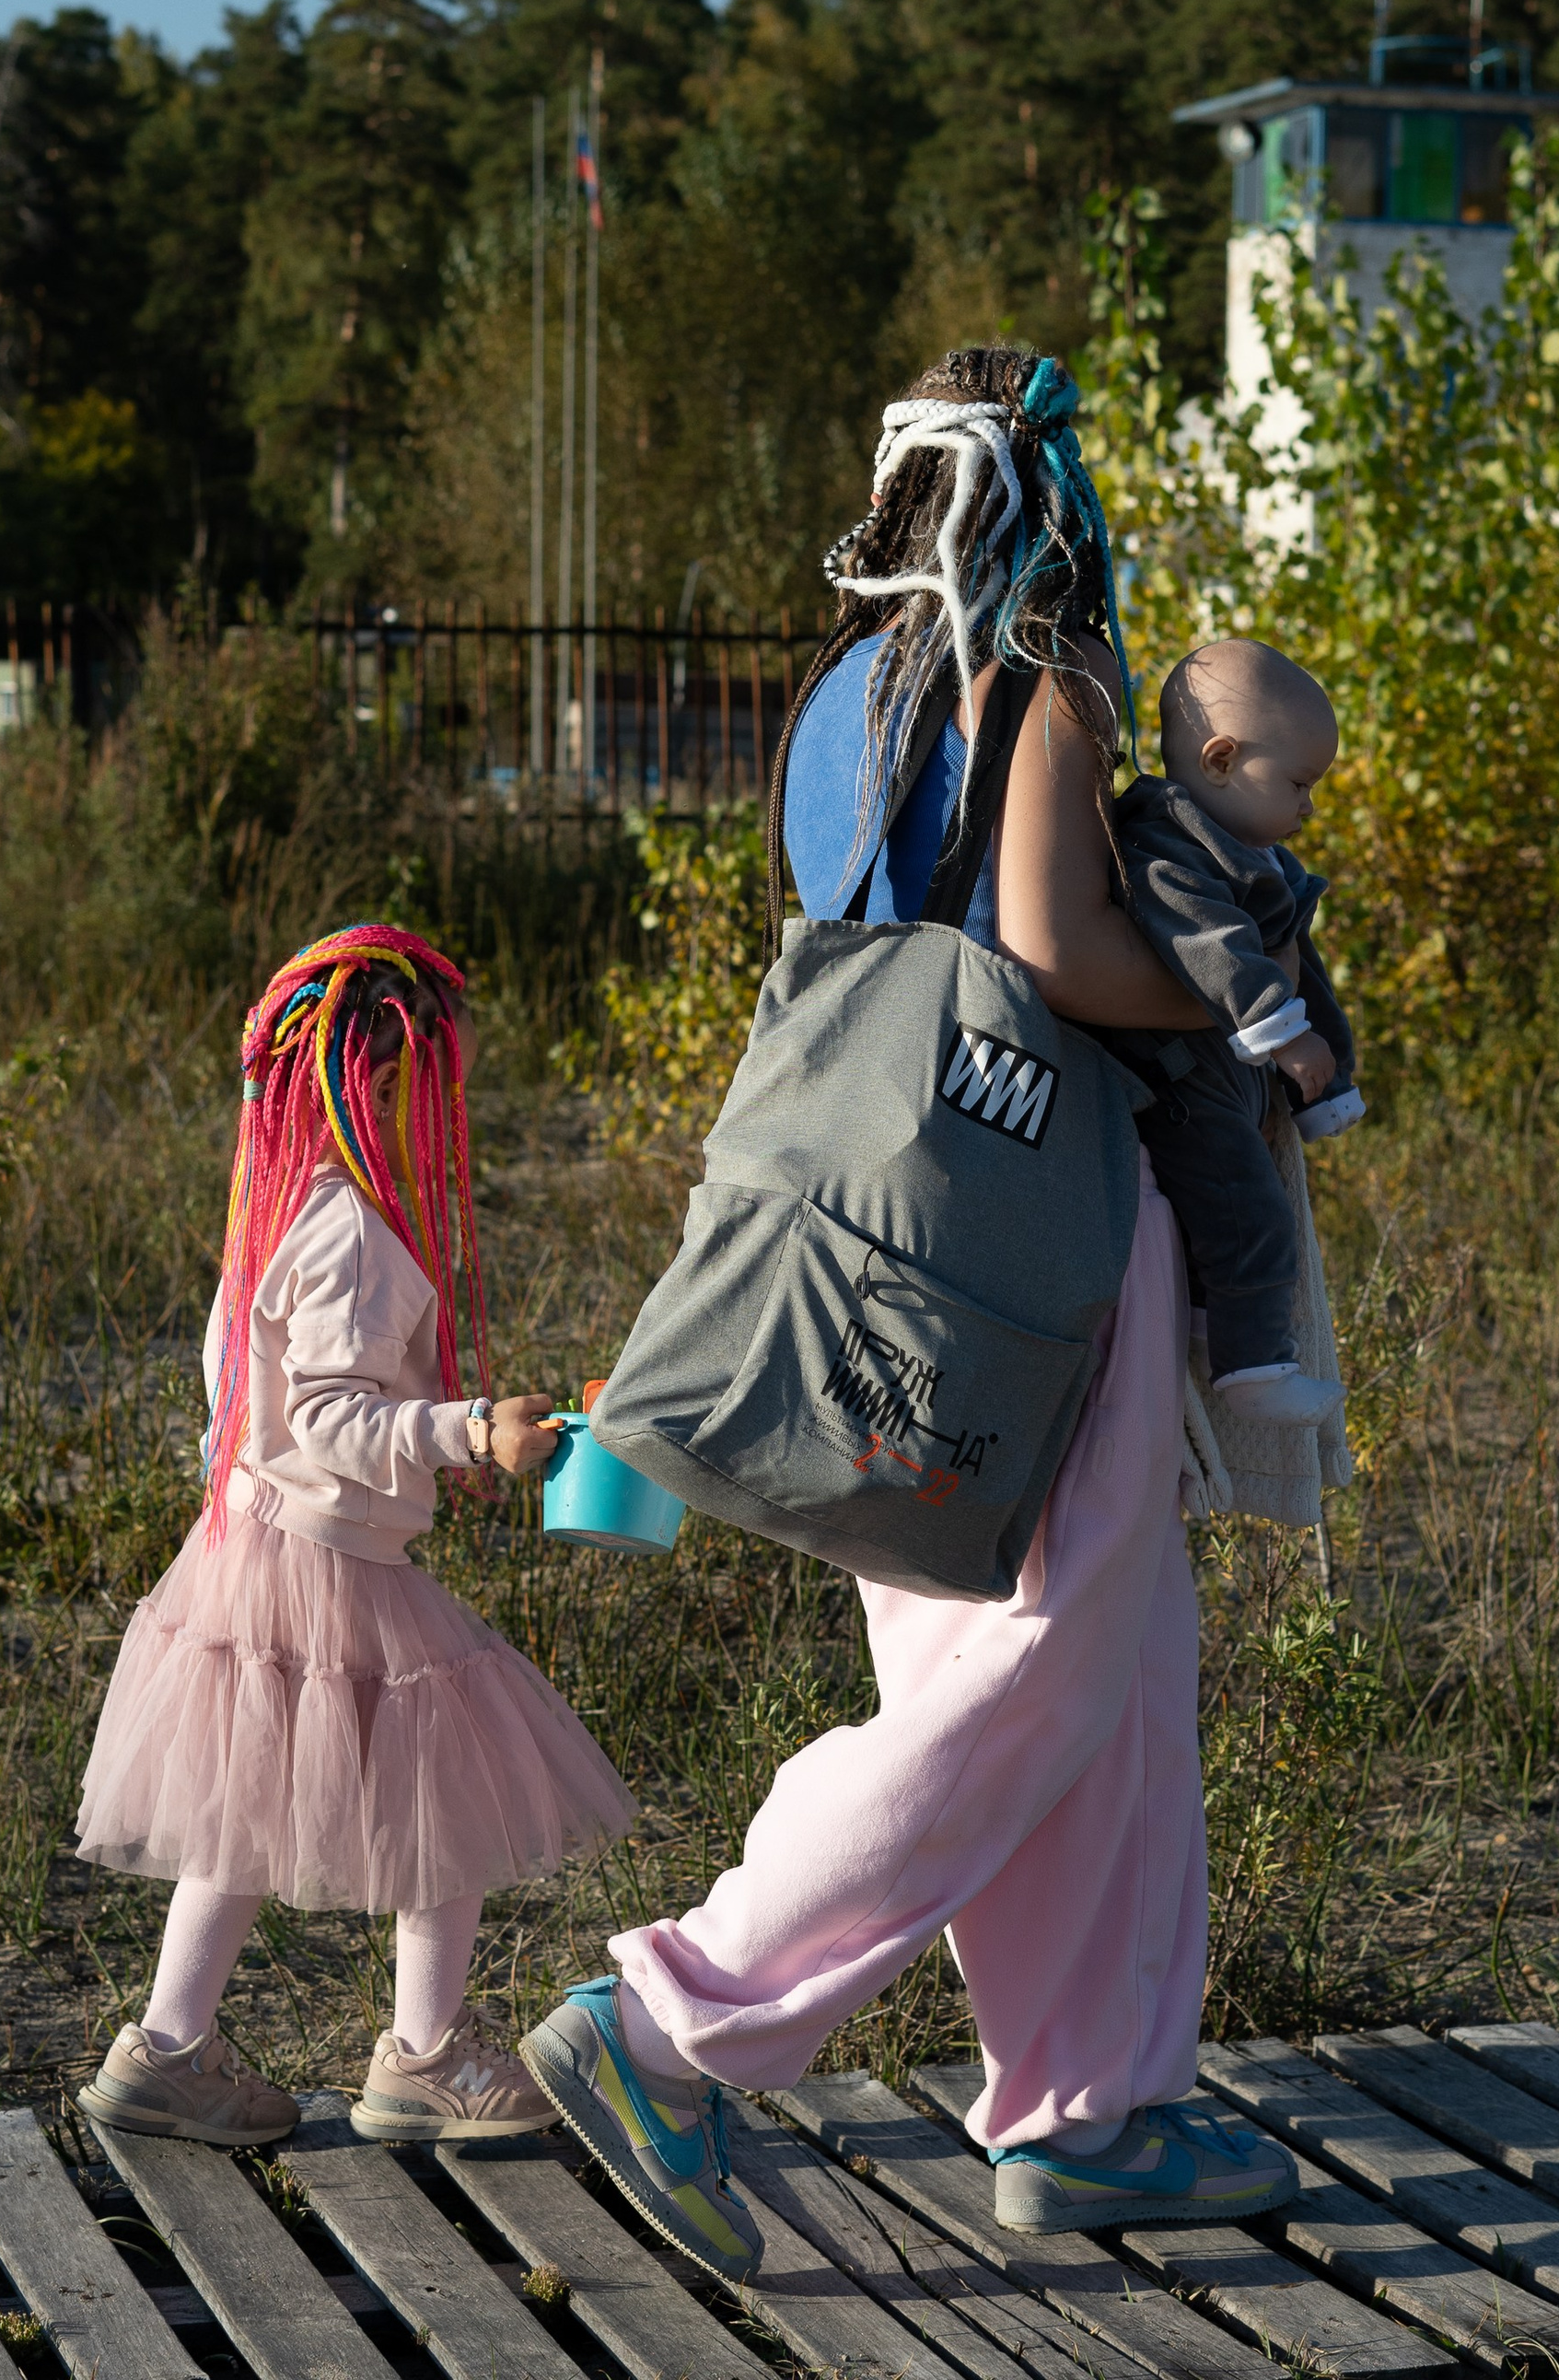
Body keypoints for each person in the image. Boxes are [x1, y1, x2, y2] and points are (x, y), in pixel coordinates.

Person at [520, 347, 1295, 2276]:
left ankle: (1090, 2108)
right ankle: (677, 2017)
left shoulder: (837, 696)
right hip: (1036, 1238)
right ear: (1040, 489)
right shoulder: (1043, 666)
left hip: (868, 1236)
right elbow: (1047, 944)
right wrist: (1243, 1006)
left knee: (1075, 1682)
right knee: (1046, 1668)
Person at [75, 923, 634, 2149]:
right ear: (386, 1087)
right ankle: (422, 2056)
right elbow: (331, 1416)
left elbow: (258, 1402)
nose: (451, 1122)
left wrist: (436, 1445)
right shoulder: (354, 1236)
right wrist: (468, 1434)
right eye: (445, 1094)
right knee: (446, 1781)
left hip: (261, 1552)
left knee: (247, 1809)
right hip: (321, 1561)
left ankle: (171, 2046)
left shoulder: (275, 1209)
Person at [1098, 638, 1363, 1421]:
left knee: (1235, 1208)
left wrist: (1327, 1077)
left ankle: (1220, 1329)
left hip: (1216, 1071)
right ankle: (1254, 1371)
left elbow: (1296, 964)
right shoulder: (1166, 848)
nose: (1308, 806)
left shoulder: (1245, 850)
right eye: (1298, 784)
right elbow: (1213, 950)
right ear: (1219, 758)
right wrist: (1283, 1036)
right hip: (1177, 1076)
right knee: (1248, 1213)